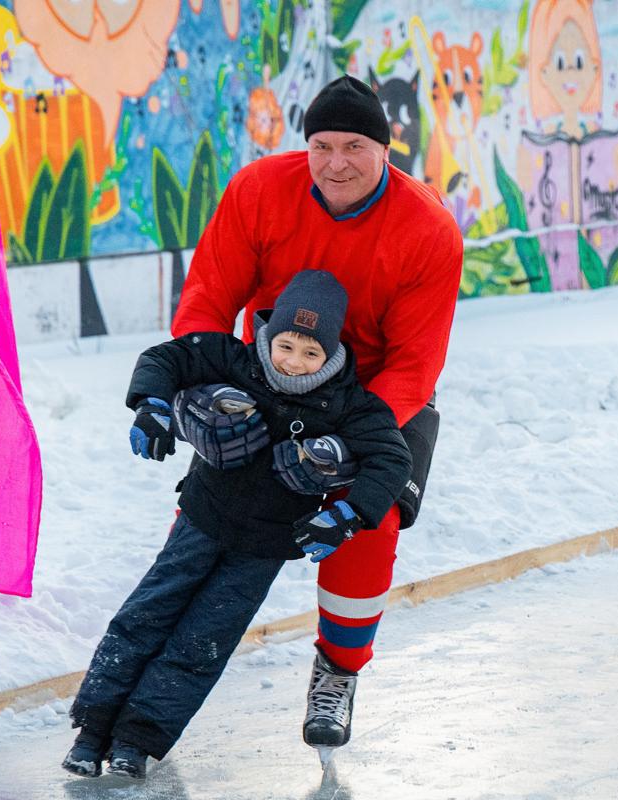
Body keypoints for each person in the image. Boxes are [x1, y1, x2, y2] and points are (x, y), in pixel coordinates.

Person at [168, 75, 464, 751]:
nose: (336, 161)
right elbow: (207, 301)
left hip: (379, 397)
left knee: (372, 514)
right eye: (322, 145)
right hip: (270, 381)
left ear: (384, 150)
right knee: (206, 512)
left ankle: (339, 669)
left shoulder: (430, 231)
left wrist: (344, 448)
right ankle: (163, 658)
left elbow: (416, 363)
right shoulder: (256, 192)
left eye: (354, 146)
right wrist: (208, 389)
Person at [64, 270, 411, 778]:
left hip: (263, 547)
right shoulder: (235, 358)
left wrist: (347, 515)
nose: (294, 362)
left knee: (201, 644)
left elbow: (392, 460)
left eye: (311, 354)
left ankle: (136, 742)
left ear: (331, 354)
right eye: (287, 345)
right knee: (145, 617)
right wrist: (153, 406)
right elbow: (165, 358)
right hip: (201, 523)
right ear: (270, 334)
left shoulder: (347, 402)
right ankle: (92, 730)